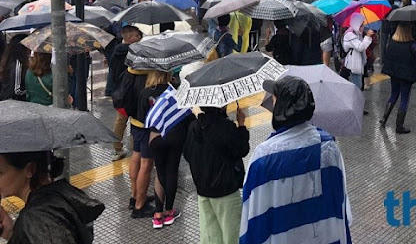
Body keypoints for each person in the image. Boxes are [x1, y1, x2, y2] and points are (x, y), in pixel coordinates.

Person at [240, 76, 351, 243]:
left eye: (275, 98)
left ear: (283, 106)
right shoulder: (328, 147)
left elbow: (255, 217)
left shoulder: (263, 157)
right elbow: (339, 205)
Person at [0, 151, 104, 243]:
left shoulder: (37, 217)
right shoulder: (61, 194)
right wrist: (12, 232)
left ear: (30, 169)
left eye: (0, 173)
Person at [183, 104, 250, 244]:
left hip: (203, 190)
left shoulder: (193, 127)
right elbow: (241, 149)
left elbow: (188, 155)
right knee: (232, 235)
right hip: (226, 190)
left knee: (210, 236)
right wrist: (242, 125)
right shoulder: (225, 127)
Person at [137, 70, 189, 229]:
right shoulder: (175, 90)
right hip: (175, 136)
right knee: (171, 171)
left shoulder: (146, 93)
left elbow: (141, 118)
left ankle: (157, 215)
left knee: (159, 172)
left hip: (155, 138)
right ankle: (169, 212)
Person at [107, 25, 142, 161]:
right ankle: (137, 149)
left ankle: (117, 149)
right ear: (129, 38)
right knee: (137, 119)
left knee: (120, 121)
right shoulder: (134, 52)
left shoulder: (116, 51)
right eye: (136, 36)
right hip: (134, 91)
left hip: (121, 92)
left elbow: (113, 72)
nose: (139, 38)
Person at [380, 22, 416, 134]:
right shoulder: (412, 44)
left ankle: (384, 119)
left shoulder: (392, 42)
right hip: (407, 75)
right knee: (404, 98)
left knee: (394, 94)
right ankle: (399, 126)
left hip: (394, 73)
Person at [342, 13, 373, 90]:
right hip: (354, 64)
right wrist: (368, 37)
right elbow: (360, 47)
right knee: (357, 87)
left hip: (358, 63)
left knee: (358, 86)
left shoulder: (356, 32)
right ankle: (355, 101)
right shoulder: (350, 34)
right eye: (362, 24)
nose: (363, 27)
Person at [0, 34, 29, 102]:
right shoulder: (17, 63)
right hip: (13, 100)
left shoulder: (8, 61)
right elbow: (17, 90)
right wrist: (30, 91)